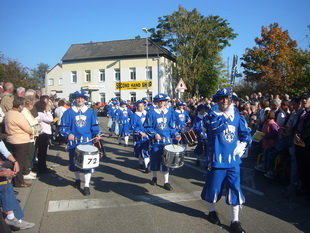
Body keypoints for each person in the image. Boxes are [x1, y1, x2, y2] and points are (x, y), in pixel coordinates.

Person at [201, 88, 251, 233]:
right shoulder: (211, 115)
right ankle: (212, 210)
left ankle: (235, 220)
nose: (224, 101)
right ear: (217, 100)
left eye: (227, 98)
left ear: (231, 100)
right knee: (214, 188)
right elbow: (213, 129)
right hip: (217, 160)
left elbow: (246, 134)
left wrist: (243, 144)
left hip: (233, 161)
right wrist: (224, 117)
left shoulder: (237, 116)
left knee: (235, 189)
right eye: (221, 98)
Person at [60, 90, 101, 196]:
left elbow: (94, 126)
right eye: (78, 97)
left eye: (82, 98)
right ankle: (78, 179)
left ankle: (86, 185)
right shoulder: (68, 112)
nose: (80, 100)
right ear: (75, 99)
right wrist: (68, 134)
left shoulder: (90, 112)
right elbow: (64, 127)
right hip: (74, 142)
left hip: (87, 141)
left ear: (85, 99)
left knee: (88, 164)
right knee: (75, 163)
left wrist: (97, 134)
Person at [144, 93, 181, 191]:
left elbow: (172, 127)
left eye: (163, 101)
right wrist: (154, 134)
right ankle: (154, 177)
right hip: (156, 142)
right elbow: (147, 127)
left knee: (166, 162)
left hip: (167, 142)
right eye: (160, 101)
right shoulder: (151, 113)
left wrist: (176, 135)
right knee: (155, 160)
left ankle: (166, 182)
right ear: (156, 102)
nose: (161, 103)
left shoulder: (170, 113)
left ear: (166, 102)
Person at [4, 96, 33, 188]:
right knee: (19, 162)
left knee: (14, 161)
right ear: (20, 106)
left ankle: (14, 179)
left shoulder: (9, 113)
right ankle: (19, 182)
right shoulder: (17, 115)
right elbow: (27, 127)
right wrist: (31, 132)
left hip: (11, 139)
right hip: (20, 141)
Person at [293, 92, 310, 197]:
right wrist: (295, 134)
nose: (304, 101)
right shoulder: (302, 113)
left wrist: (302, 136)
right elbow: (296, 126)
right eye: (302, 99)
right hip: (299, 144)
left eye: (307, 98)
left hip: (307, 144)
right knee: (301, 167)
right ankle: (303, 187)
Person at [130, 100, 150, 172]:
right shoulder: (134, 116)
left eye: (142, 106)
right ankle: (141, 163)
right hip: (138, 137)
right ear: (137, 107)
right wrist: (139, 132)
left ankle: (147, 167)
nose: (141, 108)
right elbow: (133, 126)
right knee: (139, 151)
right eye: (139, 106)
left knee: (146, 151)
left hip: (147, 136)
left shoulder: (147, 114)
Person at [35, 100, 54, 174]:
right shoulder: (41, 114)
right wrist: (48, 111)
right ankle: (42, 168)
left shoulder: (40, 113)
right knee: (42, 152)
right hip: (43, 134)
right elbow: (50, 119)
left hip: (43, 134)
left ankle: (42, 166)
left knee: (41, 152)